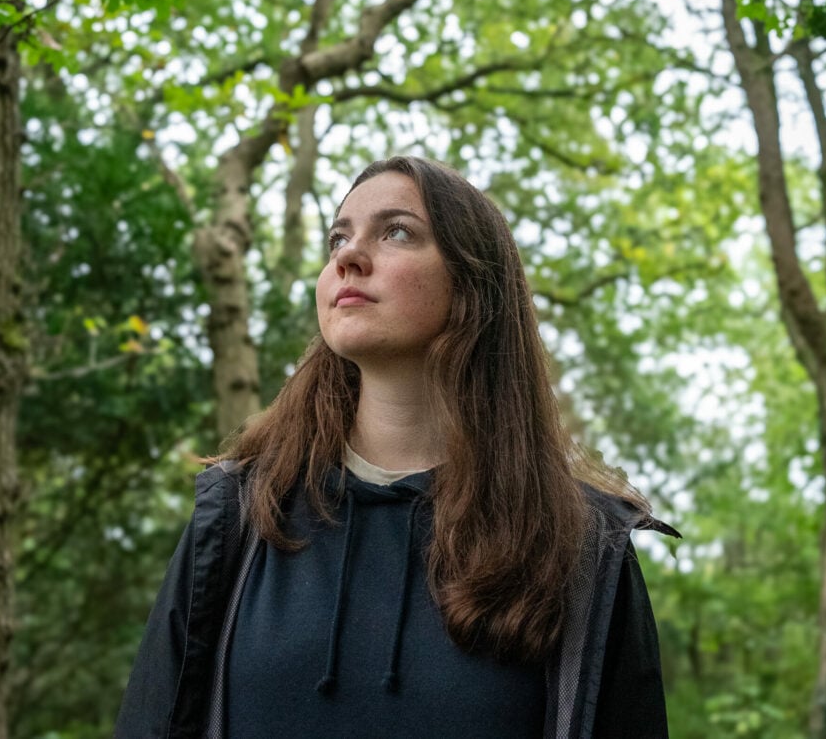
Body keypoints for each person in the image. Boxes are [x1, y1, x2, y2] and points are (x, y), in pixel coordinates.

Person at [114, 156, 676, 739]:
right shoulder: (239, 516)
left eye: (397, 231)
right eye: (339, 237)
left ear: (472, 288)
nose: (347, 256)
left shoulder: (580, 544)